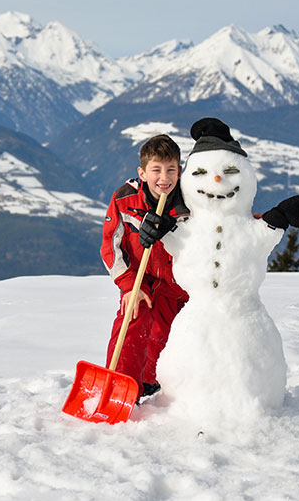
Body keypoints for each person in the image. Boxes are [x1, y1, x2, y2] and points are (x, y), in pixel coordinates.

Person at [101, 134, 189, 401]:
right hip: (142, 278)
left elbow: (227, 225)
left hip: (179, 282)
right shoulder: (125, 199)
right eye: (156, 170)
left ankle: (152, 380)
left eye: (171, 169)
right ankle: (121, 387)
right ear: (142, 172)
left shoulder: (191, 200)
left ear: (180, 170)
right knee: (133, 317)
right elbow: (111, 246)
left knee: (168, 334)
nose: (164, 178)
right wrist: (129, 286)